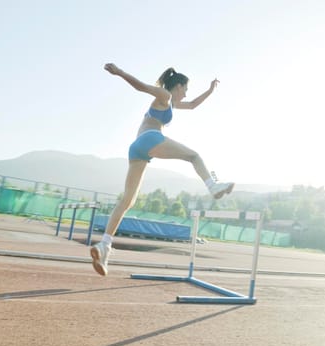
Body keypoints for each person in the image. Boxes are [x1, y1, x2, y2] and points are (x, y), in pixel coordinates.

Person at [91, 63, 235, 276]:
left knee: (128, 201)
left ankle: (104, 245)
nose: (186, 93)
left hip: (137, 149)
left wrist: (211, 90)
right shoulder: (165, 96)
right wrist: (120, 72)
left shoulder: (172, 104)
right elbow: (141, 86)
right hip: (151, 139)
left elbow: (194, 105)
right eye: (185, 88)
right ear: (177, 86)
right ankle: (212, 186)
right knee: (194, 156)